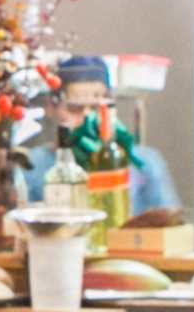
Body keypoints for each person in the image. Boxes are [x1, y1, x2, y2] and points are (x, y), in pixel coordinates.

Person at [50, 55, 179, 217]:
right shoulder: (36, 166)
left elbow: (170, 222)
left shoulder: (144, 163)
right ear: (51, 108)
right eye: (75, 108)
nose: (87, 117)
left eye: (96, 108)